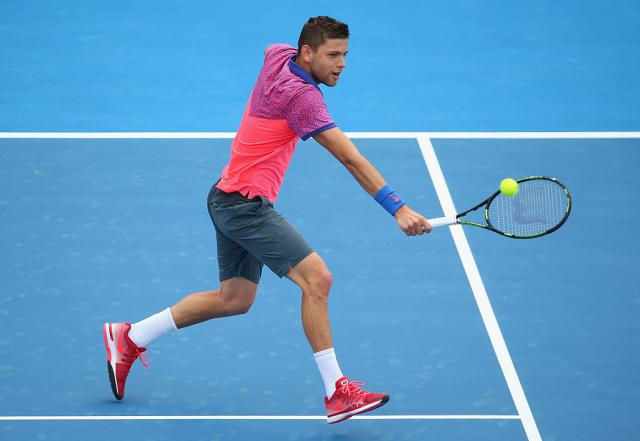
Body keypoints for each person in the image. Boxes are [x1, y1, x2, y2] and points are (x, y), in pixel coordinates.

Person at [103, 15, 431, 424]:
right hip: (245, 207)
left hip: (224, 197)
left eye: (345, 54)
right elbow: (350, 158)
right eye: (333, 55)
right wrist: (398, 207)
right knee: (318, 280)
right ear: (307, 53)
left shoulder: (279, 56)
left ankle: (131, 336)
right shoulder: (302, 98)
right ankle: (337, 392)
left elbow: (271, 47)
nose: (342, 64)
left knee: (234, 299)